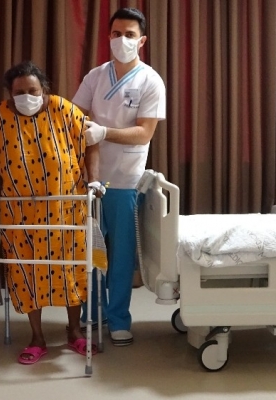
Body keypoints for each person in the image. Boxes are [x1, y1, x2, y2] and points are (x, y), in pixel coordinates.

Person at [0, 61, 104, 364]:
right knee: (27, 273)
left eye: (32, 91)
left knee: (70, 269)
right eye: (19, 92)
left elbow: (91, 142)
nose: (26, 97)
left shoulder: (65, 110)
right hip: (19, 212)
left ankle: (75, 331)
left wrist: (94, 180)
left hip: (65, 208)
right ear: (10, 93)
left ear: (44, 89)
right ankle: (37, 337)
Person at [72, 7, 166, 346]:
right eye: (116, 34)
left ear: (142, 41)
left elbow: (144, 133)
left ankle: (119, 319)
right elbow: (76, 117)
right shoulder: (95, 77)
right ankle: (92, 313)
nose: (121, 40)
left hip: (125, 180)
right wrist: (88, 134)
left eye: (129, 34)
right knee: (92, 249)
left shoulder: (150, 81)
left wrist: (104, 132)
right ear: (108, 37)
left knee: (122, 254)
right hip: (91, 178)